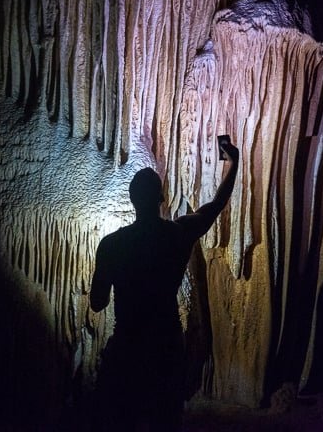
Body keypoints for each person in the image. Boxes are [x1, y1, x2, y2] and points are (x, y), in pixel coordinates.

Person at [90, 141, 239, 431]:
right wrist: (234, 163)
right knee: (164, 419)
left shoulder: (111, 245)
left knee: (122, 419)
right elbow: (215, 206)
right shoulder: (177, 234)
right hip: (165, 346)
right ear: (161, 198)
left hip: (128, 347)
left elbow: (98, 302)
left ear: (132, 199)